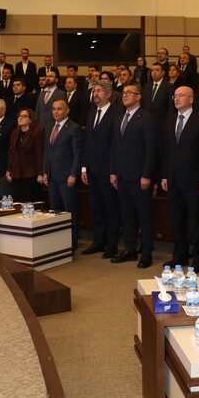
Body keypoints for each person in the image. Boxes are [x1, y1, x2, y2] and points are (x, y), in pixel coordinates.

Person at [161, 86, 199, 272]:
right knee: (176, 221)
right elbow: (166, 152)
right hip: (173, 180)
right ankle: (180, 255)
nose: (176, 98)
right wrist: (164, 176)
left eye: (181, 95)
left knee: (196, 222)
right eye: (175, 95)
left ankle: (198, 258)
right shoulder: (170, 120)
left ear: (191, 99)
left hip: (194, 181)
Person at [109, 84, 158, 268]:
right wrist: (113, 171)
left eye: (129, 93)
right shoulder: (119, 118)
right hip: (121, 175)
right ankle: (130, 249)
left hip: (139, 176)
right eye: (124, 93)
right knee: (127, 214)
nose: (125, 95)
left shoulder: (147, 118)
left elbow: (151, 149)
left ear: (139, 97)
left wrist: (146, 174)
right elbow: (114, 147)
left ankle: (147, 252)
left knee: (144, 216)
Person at [81, 80, 121, 256]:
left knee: (111, 209)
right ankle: (99, 241)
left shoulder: (117, 114)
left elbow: (115, 146)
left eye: (99, 90)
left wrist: (113, 170)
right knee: (96, 208)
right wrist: (84, 167)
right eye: (94, 91)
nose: (95, 94)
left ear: (108, 94)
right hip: (91, 169)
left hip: (107, 170)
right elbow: (87, 142)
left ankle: (112, 245)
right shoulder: (91, 114)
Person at [43, 99, 83, 249]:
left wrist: (73, 174)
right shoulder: (49, 127)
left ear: (67, 110)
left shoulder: (74, 128)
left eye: (59, 109)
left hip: (66, 177)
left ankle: (72, 241)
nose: (56, 112)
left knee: (69, 210)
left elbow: (77, 154)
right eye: (54, 109)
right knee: (55, 211)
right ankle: (58, 242)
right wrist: (45, 172)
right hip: (52, 177)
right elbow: (47, 152)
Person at [7, 108, 45, 203]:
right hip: (16, 173)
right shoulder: (14, 133)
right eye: (19, 116)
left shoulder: (37, 132)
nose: (20, 118)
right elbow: (11, 153)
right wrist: (9, 170)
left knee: (29, 202)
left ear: (31, 120)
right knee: (17, 202)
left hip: (30, 174)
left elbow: (39, 154)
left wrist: (40, 173)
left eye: (24, 116)